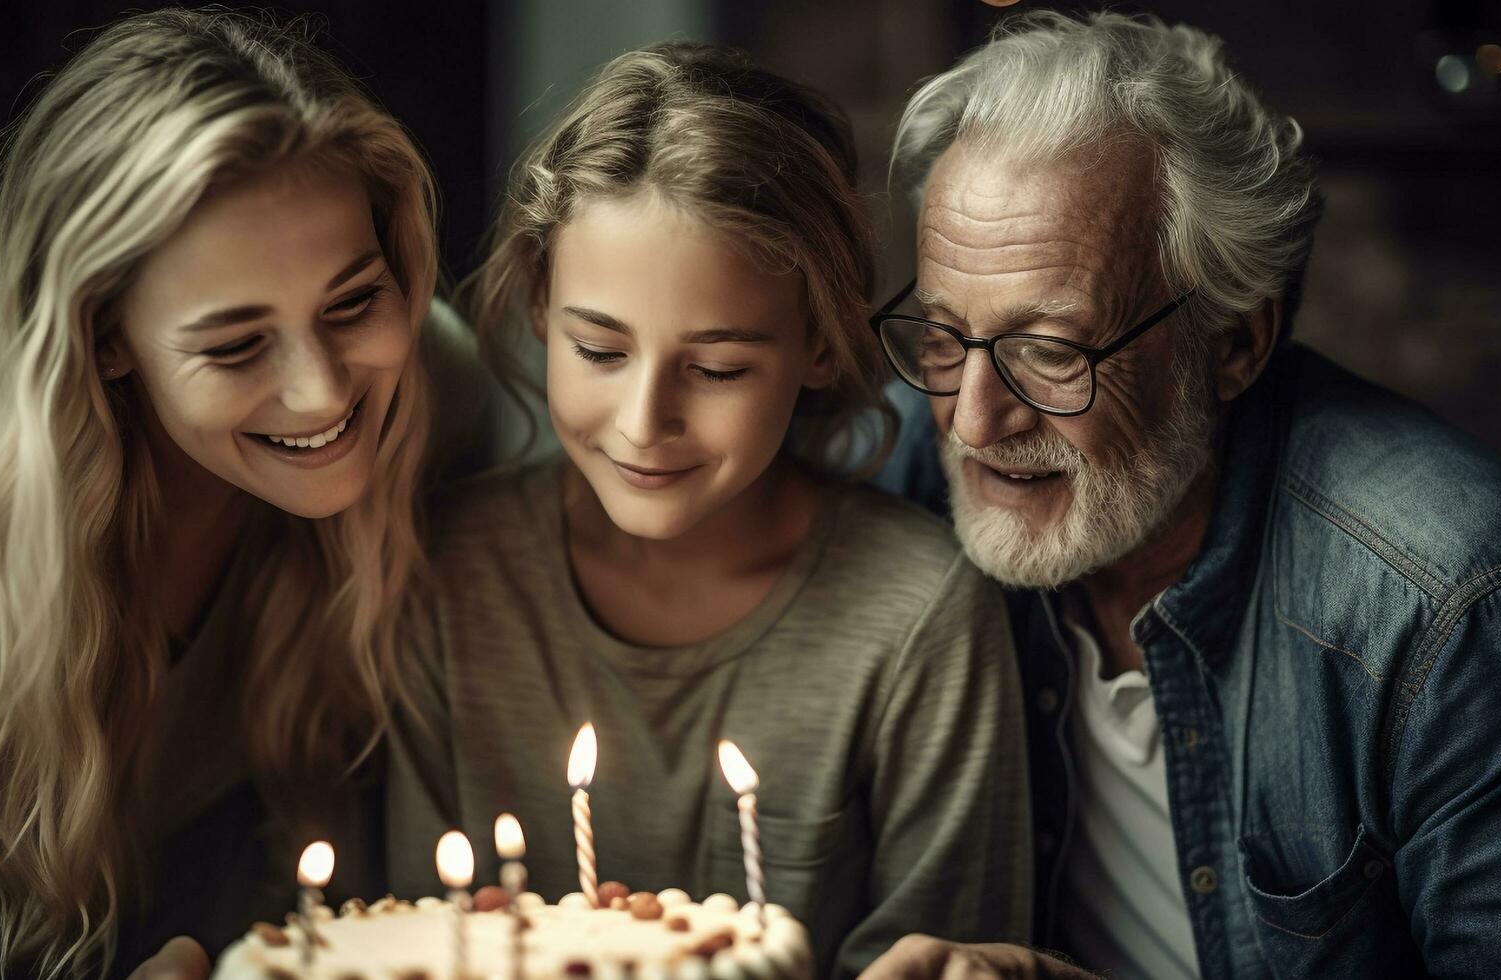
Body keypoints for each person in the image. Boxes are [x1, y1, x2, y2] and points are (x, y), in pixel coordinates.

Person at [861, 10, 1501, 979]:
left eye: (1048, 352)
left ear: (1230, 344)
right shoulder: (901, 471)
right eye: (939, 335)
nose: (970, 421)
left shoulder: (1446, 609)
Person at [0, 8, 480, 978]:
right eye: (236, 343)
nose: (325, 390)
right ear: (104, 335)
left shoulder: (428, 388)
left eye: (353, 303)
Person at [381, 42, 1032, 978]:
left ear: (817, 341)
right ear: (536, 304)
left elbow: (940, 956)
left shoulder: (918, 617)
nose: (646, 424)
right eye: (599, 351)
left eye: (719, 368)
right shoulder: (448, 573)